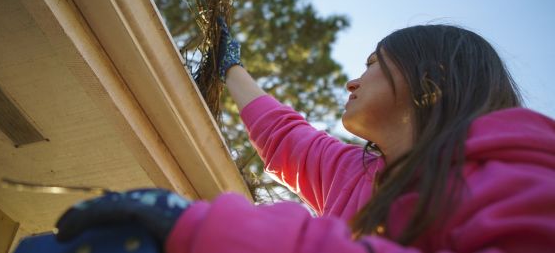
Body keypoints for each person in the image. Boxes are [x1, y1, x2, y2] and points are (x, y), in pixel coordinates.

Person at [55, 22, 555, 252]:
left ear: (432, 80)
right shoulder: (351, 172)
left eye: (373, 64)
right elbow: (283, 135)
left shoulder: (524, 175)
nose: (352, 81)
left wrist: (209, 233)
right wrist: (231, 67)